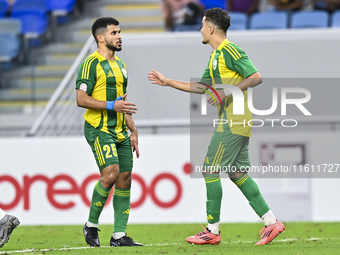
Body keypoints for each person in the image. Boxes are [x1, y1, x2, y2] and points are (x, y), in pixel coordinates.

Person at [148, 8, 285, 245]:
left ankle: (212, 230)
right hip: (236, 120)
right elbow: (202, 87)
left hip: (234, 120)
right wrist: (168, 82)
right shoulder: (215, 56)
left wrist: (225, 92)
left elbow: (255, 77)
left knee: (210, 169)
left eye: (202, 25)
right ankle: (271, 222)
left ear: (211, 28)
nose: (200, 29)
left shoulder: (230, 50)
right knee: (237, 173)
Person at [76, 17, 142, 247]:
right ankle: (91, 226)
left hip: (121, 129)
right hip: (98, 128)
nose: (119, 36)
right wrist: (111, 106)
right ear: (100, 37)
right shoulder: (90, 64)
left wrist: (133, 130)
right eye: (114, 33)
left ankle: (119, 236)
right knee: (111, 173)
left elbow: (122, 103)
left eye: (120, 32)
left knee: (125, 179)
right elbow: (81, 99)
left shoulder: (121, 66)